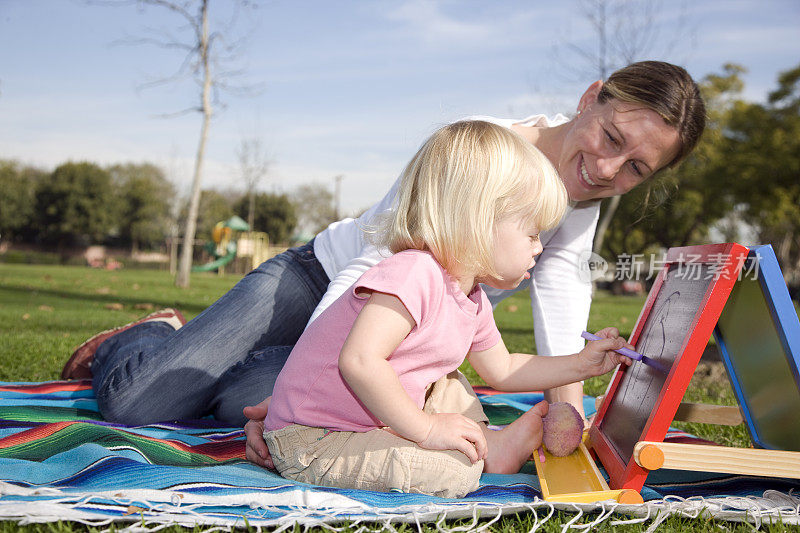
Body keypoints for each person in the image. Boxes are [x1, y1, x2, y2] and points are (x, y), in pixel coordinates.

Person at [60, 60, 705, 469]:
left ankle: (242, 371)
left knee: (249, 408)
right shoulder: (476, 146)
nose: (606, 169)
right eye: (612, 138)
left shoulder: (578, 206)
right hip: (321, 281)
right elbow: (379, 254)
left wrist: (569, 409)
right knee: (139, 405)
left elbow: (562, 304)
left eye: (637, 170)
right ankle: (149, 336)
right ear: (592, 98)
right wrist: (303, 388)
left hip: (391, 334)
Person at [261, 120, 632, 497]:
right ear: (479, 221)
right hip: (317, 439)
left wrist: (581, 363)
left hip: (376, 417)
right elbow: (359, 361)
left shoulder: (471, 296)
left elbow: (502, 370)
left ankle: (494, 446)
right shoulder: (413, 273)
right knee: (454, 472)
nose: (539, 247)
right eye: (532, 233)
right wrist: (426, 430)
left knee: (449, 378)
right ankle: (478, 450)